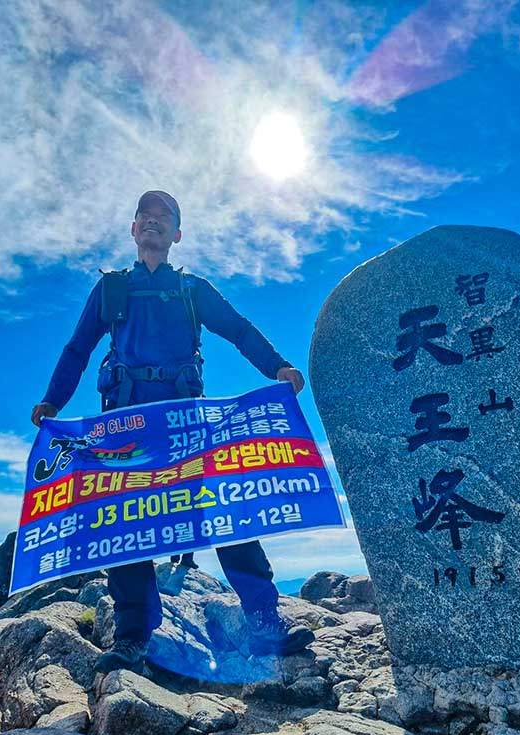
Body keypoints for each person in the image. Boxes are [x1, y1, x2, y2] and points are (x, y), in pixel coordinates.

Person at [31, 190, 314, 675]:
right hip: (126, 425)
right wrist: (53, 400)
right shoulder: (111, 289)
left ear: (177, 233)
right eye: (146, 216)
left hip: (185, 421)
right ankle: (132, 636)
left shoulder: (192, 289)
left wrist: (278, 367)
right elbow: (77, 348)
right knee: (123, 527)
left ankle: (264, 624)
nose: (154, 223)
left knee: (229, 509)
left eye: (165, 218)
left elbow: (240, 330)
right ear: (133, 228)